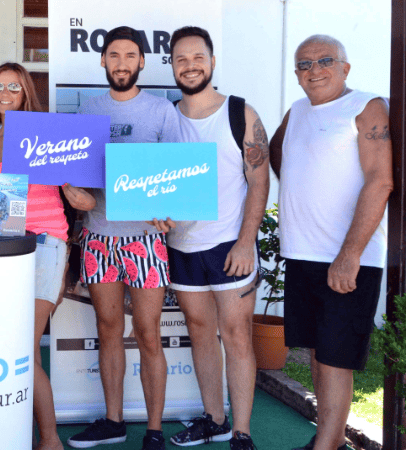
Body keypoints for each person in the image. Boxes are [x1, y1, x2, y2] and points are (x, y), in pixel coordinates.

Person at [270, 35, 392, 450]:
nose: (314, 70)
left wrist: (350, 254)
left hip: (347, 258)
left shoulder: (367, 107)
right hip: (301, 253)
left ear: (345, 67)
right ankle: (330, 439)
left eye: (324, 60)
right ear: (296, 74)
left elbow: (381, 181)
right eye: (304, 64)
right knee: (319, 353)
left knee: (336, 357)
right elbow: (277, 152)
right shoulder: (297, 110)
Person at [65, 26, 182, 450]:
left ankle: (154, 429)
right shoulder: (87, 111)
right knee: (108, 329)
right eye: (114, 55)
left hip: (145, 241)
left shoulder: (161, 111)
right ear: (102, 61)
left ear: (142, 62)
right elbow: (71, 171)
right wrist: (70, 191)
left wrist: (170, 210)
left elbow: (176, 175)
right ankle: (113, 421)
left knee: (148, 333)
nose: (121, 63)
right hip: (99, 237)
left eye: (130, 55)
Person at [163, 26, 269, 450]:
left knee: (237, 335)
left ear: (211, 61)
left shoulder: (240, 113)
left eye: (197, 57)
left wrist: (246, 241)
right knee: (200, 332)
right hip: (181, 246)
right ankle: (215, 419)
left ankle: (241, 432)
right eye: (181, 59)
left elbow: (259, 182)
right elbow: (155, 183)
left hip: (229, 244)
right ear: (172, 65)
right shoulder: (166, 117)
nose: (190, 66)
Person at [0, 62, 69, 450]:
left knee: (25, 349)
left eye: (13, 87)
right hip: (9, 249)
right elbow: (4, 208)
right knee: (16, 349)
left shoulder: (44, 134)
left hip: (45, 244)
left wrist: (63, 263)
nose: (4, 93)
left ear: (26, 93)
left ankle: (49, 440)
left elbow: (71, 195)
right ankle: (26, 436)